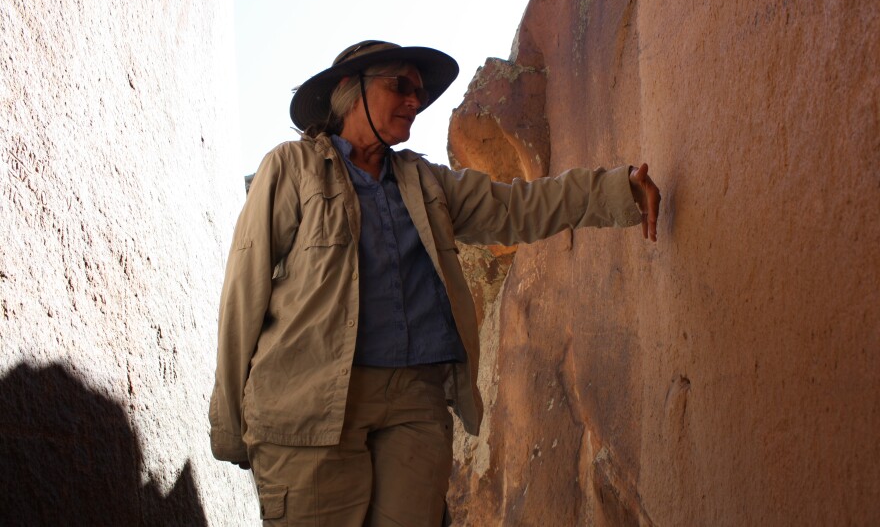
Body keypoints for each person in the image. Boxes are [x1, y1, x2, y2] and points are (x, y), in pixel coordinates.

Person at [209, 40, 660, 526]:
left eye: (419, 94)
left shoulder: (427, 183)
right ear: (349, 88)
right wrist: (231, 424)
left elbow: (517, 207)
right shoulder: (290, 169)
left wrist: (619, 188)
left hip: (415, 402)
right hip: (309, 404)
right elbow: (244, 293)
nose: (413, 101)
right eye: (399, 86)